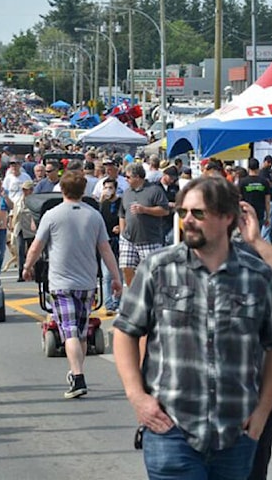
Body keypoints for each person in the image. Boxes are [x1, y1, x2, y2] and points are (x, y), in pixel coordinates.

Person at [112, 176, 272, 478]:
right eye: (183, 213)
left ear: (227, 218)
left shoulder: (258, 276)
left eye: (198, 213)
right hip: (170, 429)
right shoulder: (158, 268)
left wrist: (263, 409)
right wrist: (137, 396)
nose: (187, 221)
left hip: (236, 433)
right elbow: (125, 331)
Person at [22, 171, 122, 398]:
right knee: (82, 332)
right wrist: (116, 278)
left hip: (61, 282)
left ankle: (77, 378)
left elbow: (37, 246)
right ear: (83, 191)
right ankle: (77, 370)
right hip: (87, 281)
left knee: (69, 332)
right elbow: (105, 250)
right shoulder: (94, 215)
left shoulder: (52, 215)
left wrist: (28, 266)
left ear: (63, 191)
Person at [118, 163, 170, 287]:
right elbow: (122, 214)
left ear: (137, 177)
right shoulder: (126, 193)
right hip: (128, 238)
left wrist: (145, 210)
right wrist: (122, 232)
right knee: (126, 267)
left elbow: (165, 210)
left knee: (152, 272)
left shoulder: (154, 190)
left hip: (149, 238)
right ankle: (133, 293)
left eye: (128, 177)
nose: (126, 179)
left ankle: (150, 296)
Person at [98, 176, 123, 314]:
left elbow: (125, 218)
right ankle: (109, 304)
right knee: (106, 275)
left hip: (118, 241)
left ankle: (117, 301)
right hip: (105, 242)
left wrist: (120, 227)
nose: (108, 190)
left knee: (118, 273)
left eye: (110, 188)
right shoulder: (102, 204)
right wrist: (101, 202)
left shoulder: (120, 202)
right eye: (106, 187)